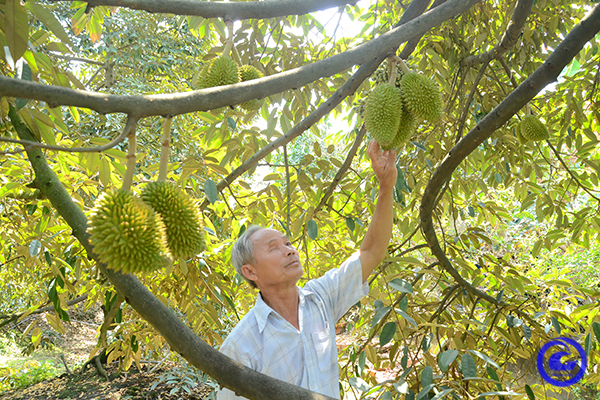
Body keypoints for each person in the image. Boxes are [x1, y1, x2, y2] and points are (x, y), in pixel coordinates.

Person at [217, 140, 397, 399]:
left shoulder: (320, 298)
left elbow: (371, 252)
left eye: (288, 243)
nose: (290, 250)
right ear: (250, 272)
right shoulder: (241, 346)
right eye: (273, 248)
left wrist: (386, 187)